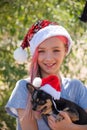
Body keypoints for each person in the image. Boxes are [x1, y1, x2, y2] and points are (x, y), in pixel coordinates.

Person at [5, 20, 87, 130]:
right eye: (41, 51)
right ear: (34, 53)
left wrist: (69, 127)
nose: (49, 58)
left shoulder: (76, 87)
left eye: (56, 50)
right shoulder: (25, 88)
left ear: (65, 49)